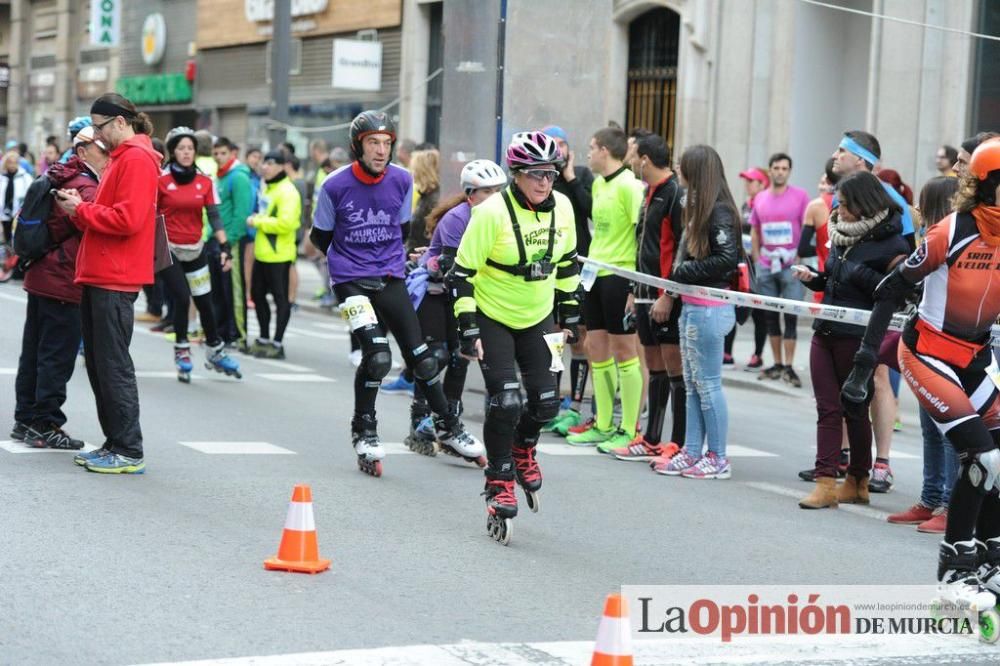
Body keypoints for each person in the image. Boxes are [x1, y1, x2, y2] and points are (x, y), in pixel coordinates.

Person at [840, 140, 1000, 608]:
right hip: (927, 353)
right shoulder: (950, 232)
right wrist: (864, 362)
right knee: (981, 456)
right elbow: (891, 291)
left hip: (974, 357)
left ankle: (991, 561)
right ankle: (955, 572)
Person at [310, 110, 481, 476]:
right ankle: (365, 429)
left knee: (423, 358)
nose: (381, 150)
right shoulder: (334, 185)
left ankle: (447, 426)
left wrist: (388, 258)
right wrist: (352, 262)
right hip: (350, 280)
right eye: (373, 143)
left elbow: (401, 229)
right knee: (377, 356)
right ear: (358, 146)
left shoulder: (403, 180)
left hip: (389, 275)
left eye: (387, 143)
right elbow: (319, 238)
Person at [447, 131, 580, 543]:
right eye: (535, 174)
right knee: (505, 400)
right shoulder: (491, 213)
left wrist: (570, 313)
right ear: (516, 175)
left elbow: (569, 264)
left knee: (546, 403)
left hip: (539, 317)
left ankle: (524, 448)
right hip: (493, 315)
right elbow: (462, 274)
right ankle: (499, 477)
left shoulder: (564, 208)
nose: (544, 182)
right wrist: (468, 329)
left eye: (551, 174)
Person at [54, 93, 160, 474]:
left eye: (99, 127)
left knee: (112, 365)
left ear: (119, 122)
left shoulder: (136, 158)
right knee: (100, 364)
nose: (96, 136)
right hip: (103, 272)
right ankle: (116, 443)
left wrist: (81, 209)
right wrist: (80, 209)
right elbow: (112, 213)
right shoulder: (123, 157)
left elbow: (127, 220)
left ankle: (129, 449)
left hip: (116, 275)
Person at [795, 171, 909, 508]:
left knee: (855, 410)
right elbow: (834, 276)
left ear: (862, 204)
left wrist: (851, 273)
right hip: (825, 330)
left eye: (843, 204)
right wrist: (816, 280)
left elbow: (893, 292)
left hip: (858, 338)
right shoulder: (842, 233)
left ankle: (858, 479)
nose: (837, 210)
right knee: (828, 408)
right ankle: (827, 481)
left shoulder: (892, 242)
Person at [11, 126, 108, 449]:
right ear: (82, 152)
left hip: (42, 275)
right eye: (102, 150)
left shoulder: (60, 177)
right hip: (64, 280)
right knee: (57, 355)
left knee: (35, 352)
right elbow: (97, 225)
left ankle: (25, 419)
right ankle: (45, 422)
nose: (109, 155)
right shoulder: (86, 186)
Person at [404, 159, 507, 457]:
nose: (495, 197)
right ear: (471, 194)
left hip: (466, 294)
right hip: (436, 291)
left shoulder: (500, 217)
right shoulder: (457, 218)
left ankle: (449, 421)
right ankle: (419, 420)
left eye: (499, 190)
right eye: (488, 192)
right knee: (434, 356)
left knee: (462, 355)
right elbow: (452, 268)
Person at [831, 129, 912, 493]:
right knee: (845, 378)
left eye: (841, 151)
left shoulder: (889, 197)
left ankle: (882, 464)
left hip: (877, 303)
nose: (834, 156)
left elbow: (905, 255)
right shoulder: (842, 196)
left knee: (876, 378)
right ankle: (845, 456)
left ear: (860, 160)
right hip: (844, 301)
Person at [657, 145, 740, 480]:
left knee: (707, 383)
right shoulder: (696, 207)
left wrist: (681, 275)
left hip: (710, 308)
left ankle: (717, 457)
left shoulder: (719, 211)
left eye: (683, 165)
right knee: (693, 385)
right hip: (692, 305)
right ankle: (692, 451)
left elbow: (725, 260)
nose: (678, 169)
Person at [886, 175, 960, 534]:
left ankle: (950, 504)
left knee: (949, 431)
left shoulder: (952, 239)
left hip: (953, 346)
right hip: (926, 343)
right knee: (930, 428)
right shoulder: (931, 237)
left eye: (925, 206)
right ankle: (931, 497)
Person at [566, 126, 644, 452]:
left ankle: (628, 428)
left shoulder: (630, 186)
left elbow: (641, 235)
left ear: (606, 151)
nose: (587, 153)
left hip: (619, 274)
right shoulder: (598, 184)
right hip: (593, 273)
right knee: (595, 347)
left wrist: (635, 285)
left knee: (625, 352)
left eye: (592, 147)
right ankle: (602, 423)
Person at [611, 132, 686, 465]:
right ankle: (652, 438)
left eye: (632, 154)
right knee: (653, 367)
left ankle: (679, 442)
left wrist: (668, 294)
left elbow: (682, 250)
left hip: (665, 297)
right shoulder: (647, 193)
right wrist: (633, 289)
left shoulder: (675, 194)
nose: (629, 160)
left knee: (674, 369)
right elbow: (643, 244)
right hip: (643, 293)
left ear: (644, 159)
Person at [156, 127, 240, 381]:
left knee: (205, 301)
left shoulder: (205, 181)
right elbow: (149, 213)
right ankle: (182, 348)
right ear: (172, 151)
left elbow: (214, 215)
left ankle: (214, 349)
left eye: (190, 148)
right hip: (167, 249)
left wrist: (225, 246)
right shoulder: (160, 179)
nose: (185, 153)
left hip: (195, 247)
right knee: (182, 298)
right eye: (181, 148)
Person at [539, 124, 594, 436]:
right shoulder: (539, 177)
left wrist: (571, 177)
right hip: (548, 268)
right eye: (552, 145)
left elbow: (589, 211)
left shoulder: (581, 176)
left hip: (577, 265)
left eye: (562, 144)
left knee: (579, 336)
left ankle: (574, 404)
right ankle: (551, 401)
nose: (558, 151)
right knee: (555, 338)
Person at [750, 153, 811, 387]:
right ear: (770, 170)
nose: (780, 172)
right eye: (776, 167)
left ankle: (789, 365)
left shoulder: (800, 196)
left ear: (789, 171)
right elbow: (755, 229)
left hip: (790, 264)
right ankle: (776, 363)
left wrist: (798, 256)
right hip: (766, 264)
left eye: (784, 168)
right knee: (770, 315)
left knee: (791, 316)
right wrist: (757, 258)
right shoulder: (760, 198)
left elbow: (807, 228)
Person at [247, 150, 300, 359]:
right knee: (257, 296)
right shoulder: (268, 188)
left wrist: (256, 221)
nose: (265, 167)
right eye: (264, 163)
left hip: (280, 256)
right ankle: (263, 338)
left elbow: (287, 223)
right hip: (262, 254)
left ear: (281, 166)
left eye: (270, 163)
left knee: (281, 300)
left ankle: (277, 342)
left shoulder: (288, 191)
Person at [725, 167, 769, 369]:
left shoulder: (766, 204)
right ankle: (727, 353)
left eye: (751, 181)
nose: (747, 185)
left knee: (760, 313)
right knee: (735, 305)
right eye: (746, 181)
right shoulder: (745, 205)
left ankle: (758, 354)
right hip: (743, 265)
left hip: (760, 265)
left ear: (762, 184)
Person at [213, 137, 255, 349]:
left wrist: (230, 242)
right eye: (216, 153)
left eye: (223, 153)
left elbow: (241, 213)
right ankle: (222, 332)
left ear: (232, 154)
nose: (219, 157)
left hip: (232, 242)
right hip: (218, 239)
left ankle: (238, 335)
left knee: (235, 290)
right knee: (220, 290)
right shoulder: (220, 177)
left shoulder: (238, 178)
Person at [0, 151, 32, 251]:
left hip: (19, 214)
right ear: (6, 163)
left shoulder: (25, 177)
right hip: (5, 213)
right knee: (7, 236)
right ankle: (9, 258)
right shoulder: (2, 178)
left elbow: (30, 193)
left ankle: (16, 257)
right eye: (10, 162)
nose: (12, 165)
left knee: (17, 237)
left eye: (14, 162)